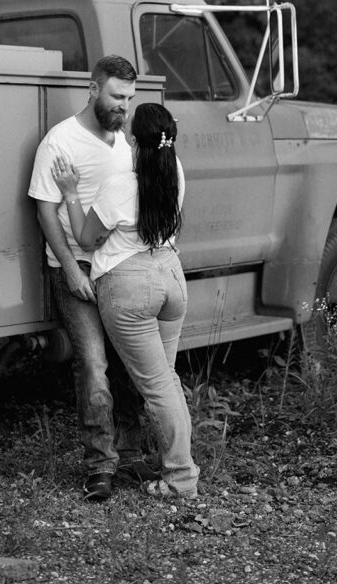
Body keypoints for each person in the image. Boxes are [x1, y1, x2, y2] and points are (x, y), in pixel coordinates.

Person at [52, 102, 199, 500]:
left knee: (157, 388)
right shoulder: (176, 171)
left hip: (130, 285)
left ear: (134, 140)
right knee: (165, 382)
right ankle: (175, 464)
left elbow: (85, 237)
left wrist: (69, 193)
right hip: (171, 276)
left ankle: (182, 478)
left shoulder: (122, 184)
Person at [28, 54, 157, 503]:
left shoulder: (125, 143)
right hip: (78, 270)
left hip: (118, 268)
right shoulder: (59, 142)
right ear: (93, 88)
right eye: (117, 96)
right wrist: (66, 267)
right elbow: (45, 209)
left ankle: (132, 453)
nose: (124, 106)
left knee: (127, 360)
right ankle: (99, 467)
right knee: (94, 366)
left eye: (130, 98)